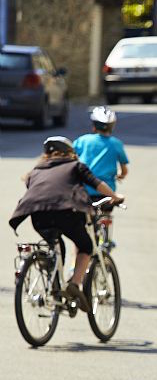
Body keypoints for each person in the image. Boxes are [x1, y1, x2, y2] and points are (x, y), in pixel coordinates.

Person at [9, 136, 124, 311]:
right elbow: (97, 184)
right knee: (85, 245)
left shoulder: (36, 170)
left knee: (56, 247)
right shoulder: (76, 166)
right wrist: (116, 197)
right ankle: (75, 284)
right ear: (69, 153)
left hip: (37, 216)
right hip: (65, 213)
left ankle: (54, 285)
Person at [73, 107, 129, 196]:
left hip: (84, 189)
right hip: (107, 191)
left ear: (94, 126)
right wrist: (121, 175)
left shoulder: (83, 140)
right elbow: (124, 170)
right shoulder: (116, 143)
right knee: (107, 207)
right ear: (112, 126)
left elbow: (71, 157)